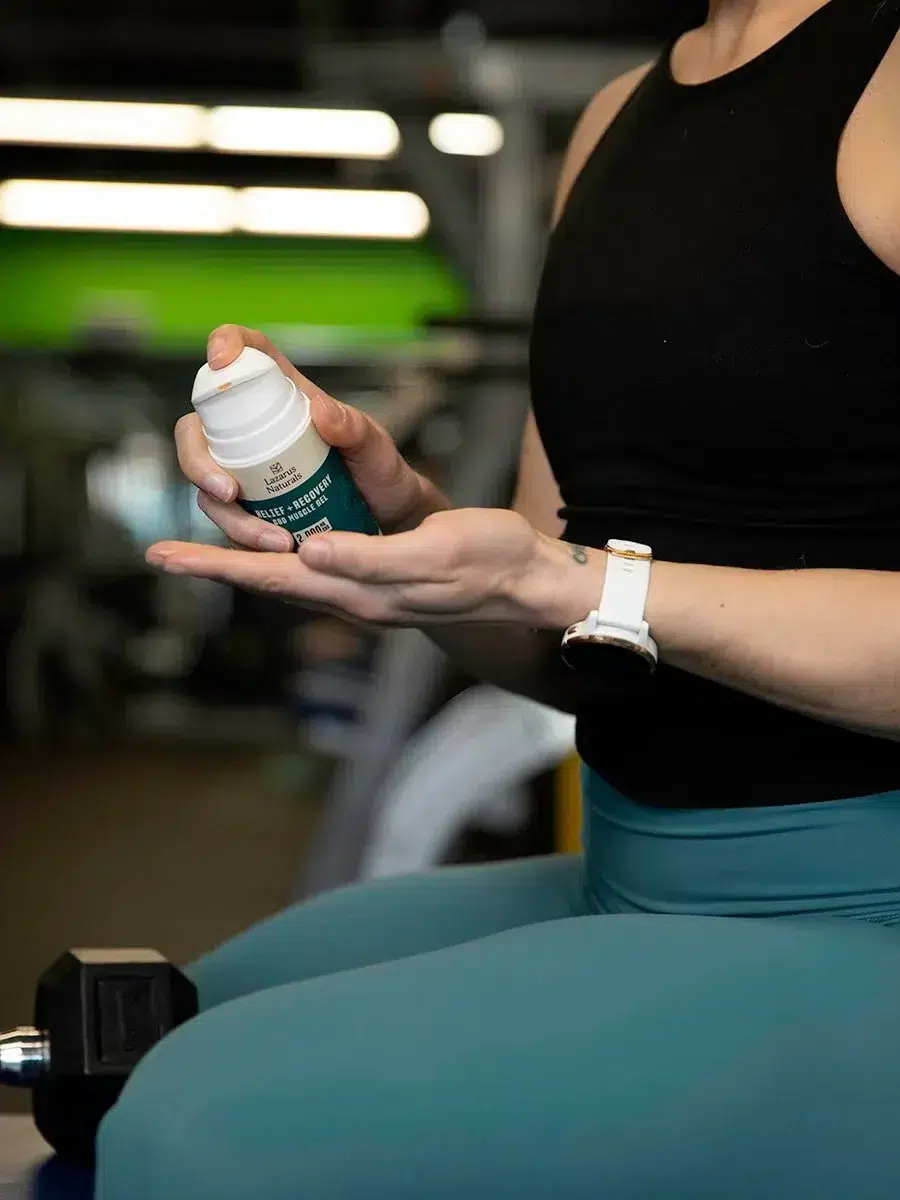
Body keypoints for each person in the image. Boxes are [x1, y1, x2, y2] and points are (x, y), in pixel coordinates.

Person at [96, 2, 900, 1197]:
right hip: (633, 872)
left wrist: (563, 574)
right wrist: (393, 530)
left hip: (861, 910)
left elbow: (573, 578)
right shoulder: (621, 117)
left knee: (192, 1136)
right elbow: (562, 623)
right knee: (143, 1033)